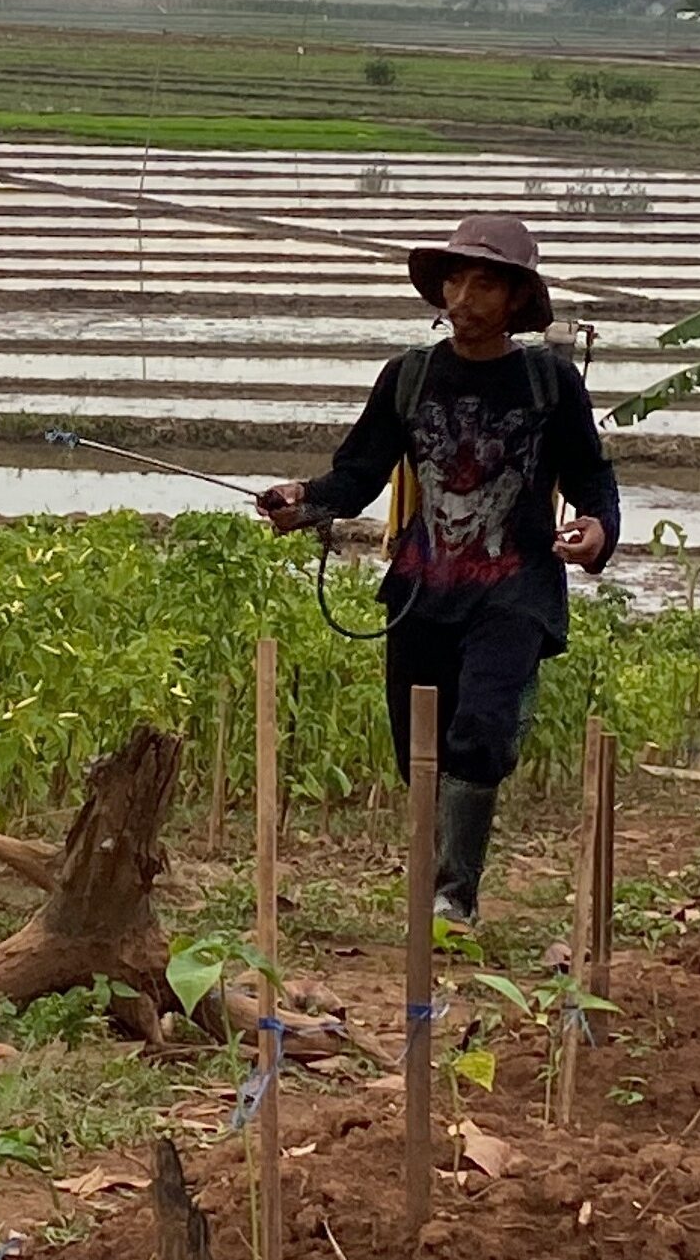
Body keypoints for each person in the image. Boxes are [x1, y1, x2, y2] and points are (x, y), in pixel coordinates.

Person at [258, 215, 620, 925]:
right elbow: (356, 473)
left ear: (517, 297)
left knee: (479, 731)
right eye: (455, 279)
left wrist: (597, 528)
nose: (463, 296)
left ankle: (454, 897)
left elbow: (590, 475)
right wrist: (304, 501)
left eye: (484, 282)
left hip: (513, 590)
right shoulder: (410, 376)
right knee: (416, 747)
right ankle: (433, 873)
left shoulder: (549, 383)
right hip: (422, 590)